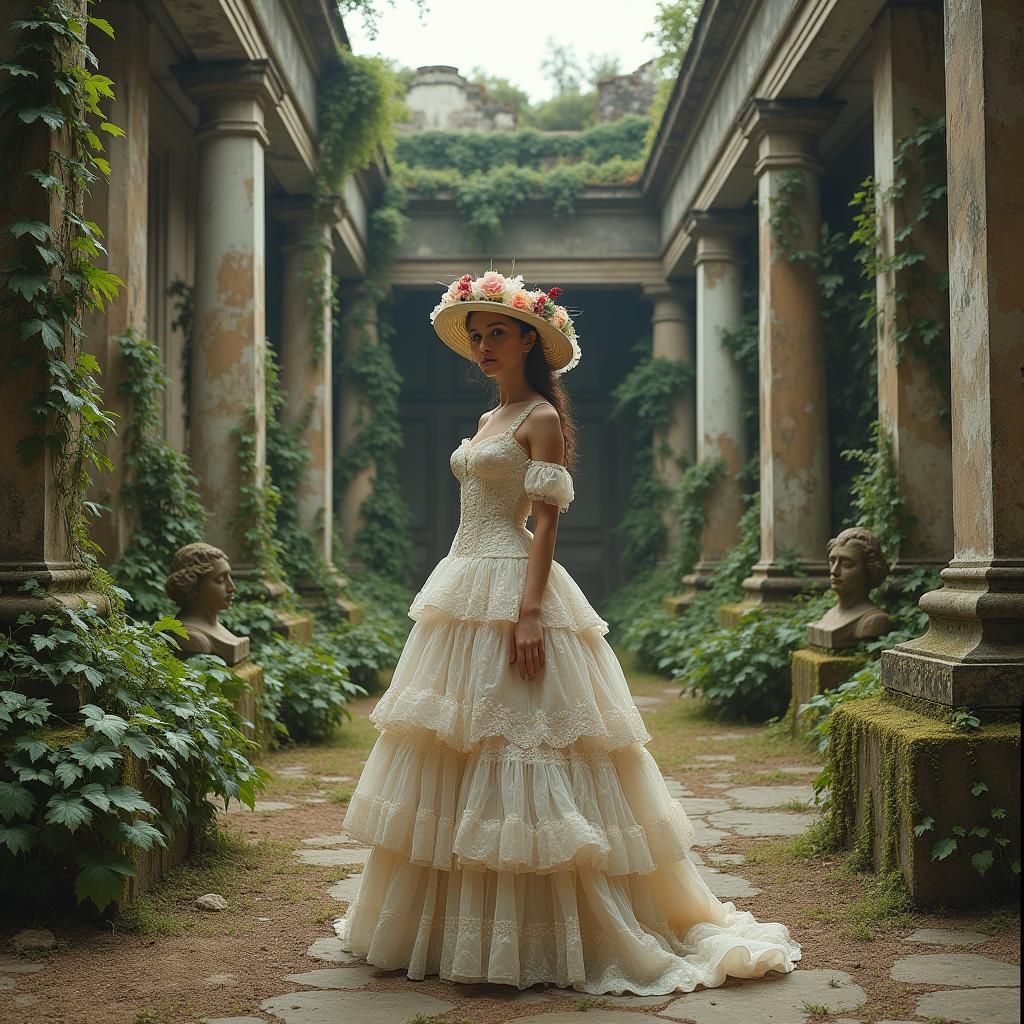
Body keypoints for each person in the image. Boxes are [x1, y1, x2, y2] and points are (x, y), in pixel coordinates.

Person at [332, 271, 801, 994]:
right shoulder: (491, 419)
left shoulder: (539, 418)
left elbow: (545, 522)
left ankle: (547, 933)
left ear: (530, 339)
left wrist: (528, 612)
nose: (484, 345)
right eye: (477, 335)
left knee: (524, 740)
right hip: (461, 579)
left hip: (515, 580)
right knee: (457, 744)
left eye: (497, 333)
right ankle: (454, 928)